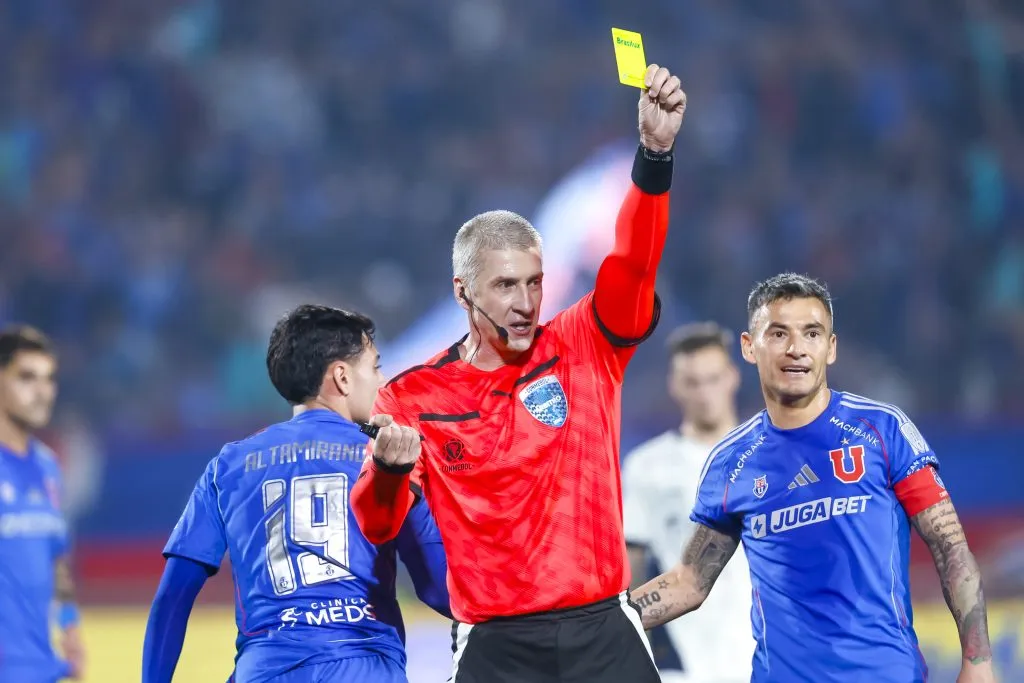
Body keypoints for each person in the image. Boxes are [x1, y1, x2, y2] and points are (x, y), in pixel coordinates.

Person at [350, 63, 686, 683]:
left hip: (602, 629)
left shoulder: (586, 342)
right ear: (462, 290)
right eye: (505, 286)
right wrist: (391, 472)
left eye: (534, 283)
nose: (525, 302)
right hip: (495, 647)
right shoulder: (411, 397)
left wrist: (655, 154)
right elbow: (376, 523)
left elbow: (634, 265)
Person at [631, 273, 997, 683]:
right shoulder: (730, 462)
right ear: (750, 348)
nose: (796, 349)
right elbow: (690, 581)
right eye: (778, 333)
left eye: (811, 333)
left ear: (831, 347)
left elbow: (950, 548)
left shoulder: (883, 430)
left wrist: (978, 662)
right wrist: (597, 622)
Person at [142, 305, 450, 683]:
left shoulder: (229, 465)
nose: (382, 381)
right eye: (374, 367)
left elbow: (173, 597)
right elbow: (439, 590)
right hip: (363, 667)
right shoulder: (384, 459)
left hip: (266, 670)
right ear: (342, 377)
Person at [623, 322, 751, 683]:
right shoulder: (647, 467)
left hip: (766, 662)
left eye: (712, 379)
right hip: (685, 671)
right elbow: (631, 575)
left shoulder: (772, 456)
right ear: (675, 385)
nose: (704, 393)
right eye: (692, 382)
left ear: (732, 377)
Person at [0, 325, 85, 683]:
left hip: (43, 669)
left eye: (49, 379)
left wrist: (69, 626)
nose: (42, 392)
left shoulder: (48, 466)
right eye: (27, 378)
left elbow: (55, 556)